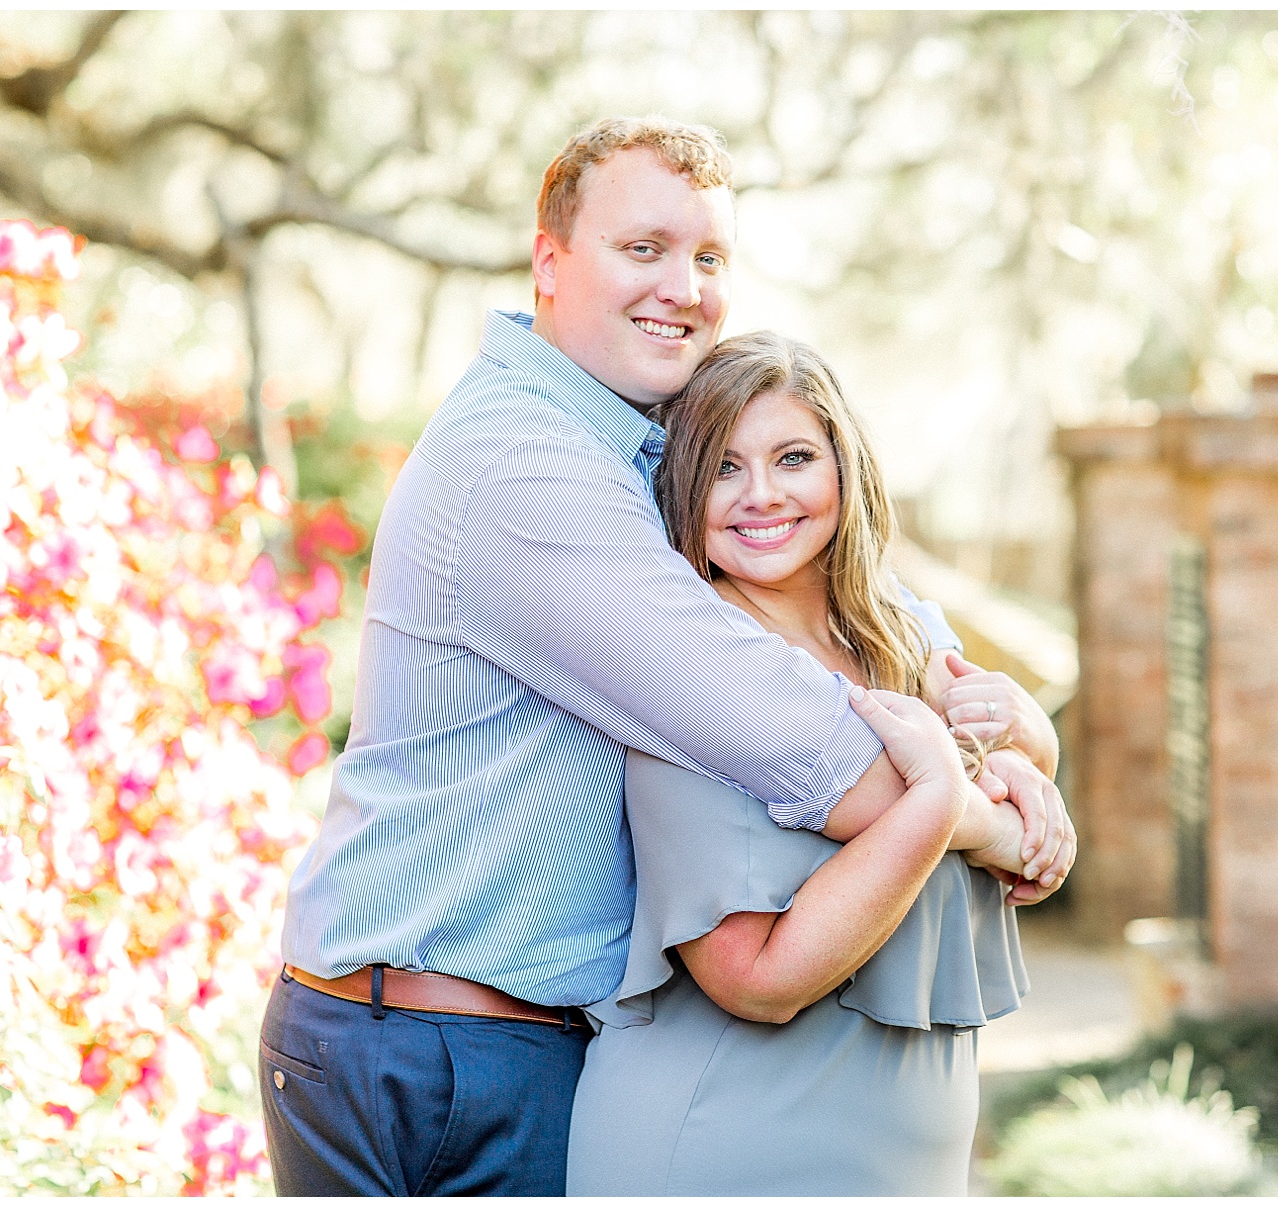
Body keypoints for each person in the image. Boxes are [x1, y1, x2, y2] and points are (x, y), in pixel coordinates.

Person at [260, 116, 1073, 1196]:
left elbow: (871, 625)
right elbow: (790, 726)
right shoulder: (525, 471)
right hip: (426, 1053)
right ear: (548, 261)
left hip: (490, 1043)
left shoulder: (628, 455)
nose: (682, 287)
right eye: (643, 249)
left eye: (708, 258)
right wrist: (988, 817)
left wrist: (1007, 733)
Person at [566, 331, 1052, 1195]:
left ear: (844, 468)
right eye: (722, 466)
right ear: (682, 485)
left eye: (793, 457)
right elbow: (756, 979)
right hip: (723, 1146)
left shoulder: (902, 635)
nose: (761, 495)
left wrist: (1028, 769)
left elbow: (1024, 780)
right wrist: (946, 800)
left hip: (908, 1160)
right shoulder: (686, 669)